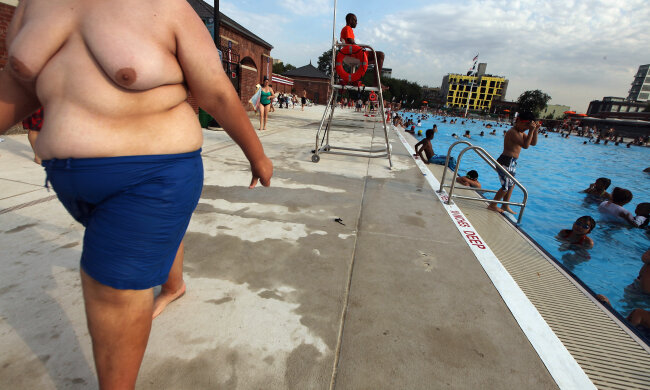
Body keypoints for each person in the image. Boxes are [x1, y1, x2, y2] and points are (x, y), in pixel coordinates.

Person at [0, 1, 273, 388]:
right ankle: (174, 285)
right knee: (152, 245)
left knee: (111, 288)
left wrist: (257, 156)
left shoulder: (168, 8)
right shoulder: (34, 4)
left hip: (153, 179)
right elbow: (18, 86)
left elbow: (216, 93)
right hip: (71, 182)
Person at [488, 111, 540, 214]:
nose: (526, 128)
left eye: (528, 127)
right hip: (505, 161)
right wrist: (531, 131)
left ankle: (505, 205)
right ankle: (492, 205)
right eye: (525, 126)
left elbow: (533, 143)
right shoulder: (512, 132)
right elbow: (525, 146)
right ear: (518, 121)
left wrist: (535, 131)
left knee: (512, 185)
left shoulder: (521, 133)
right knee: (505, 187)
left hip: (511, 162)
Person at [340, 13, 385, 87]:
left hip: (351, 53)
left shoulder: (345, 29)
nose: (356, 23)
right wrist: (361, 48)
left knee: (377, 61)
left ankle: (376, 81)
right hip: (354, 54)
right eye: (355, 20)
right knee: (381, 55)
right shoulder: (348, 28)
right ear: (350, 20)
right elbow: (351, 42)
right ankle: (376, 82)